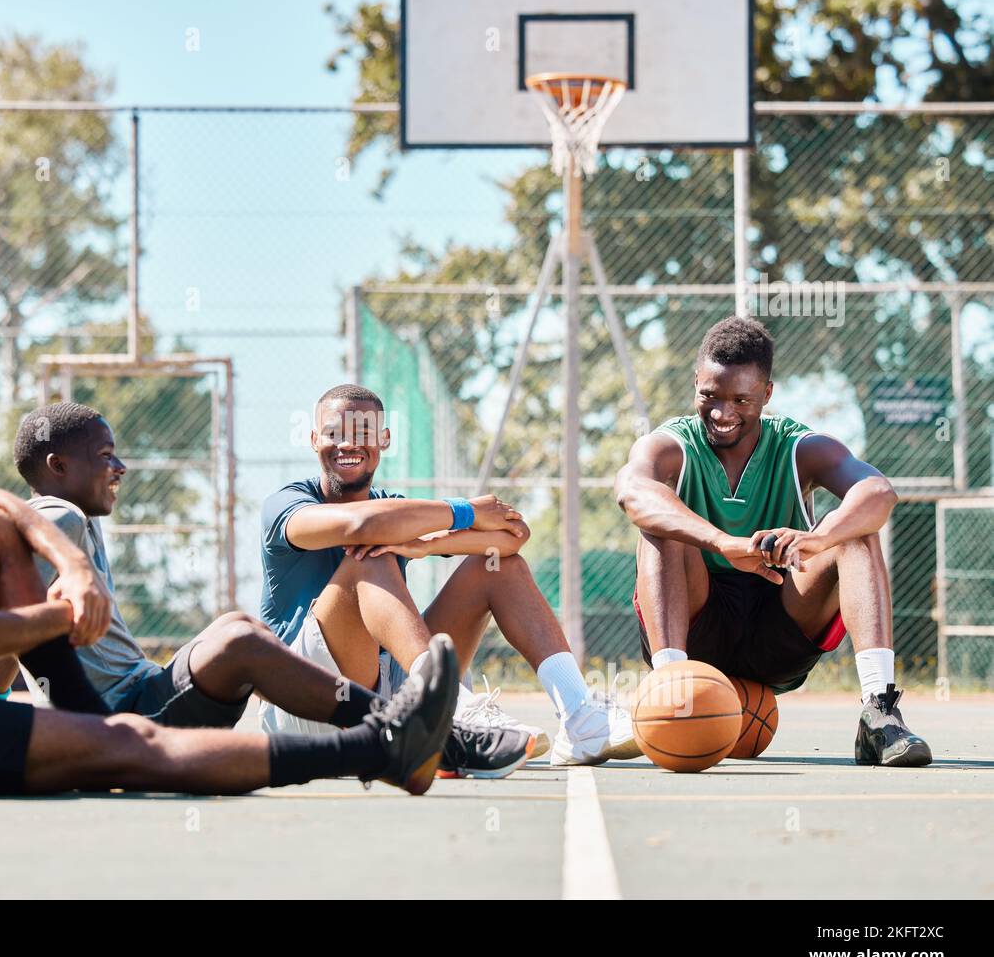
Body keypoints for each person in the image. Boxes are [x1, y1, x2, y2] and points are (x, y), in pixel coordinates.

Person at [0, 340, 460, 798]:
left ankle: (86, 720)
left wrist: (71, 563)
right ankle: (377, 746)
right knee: (132, 748)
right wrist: (62, 612)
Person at [0, 401, 529, 779]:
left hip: (145, 694)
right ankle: (420, 733)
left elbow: (10, 628)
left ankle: (411, 729)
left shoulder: (72, 518)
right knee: (240, 642)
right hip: (130, 720)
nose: (120, 466)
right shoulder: (56, 515)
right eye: (105, 456)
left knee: (236, 627)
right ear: (58, 467)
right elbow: (1, 621)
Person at [259, 383, 641, 767]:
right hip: (309, 704)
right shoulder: (286, 506)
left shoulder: (394, 511)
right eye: (333, 433)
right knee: (368, 558)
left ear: (385, 440)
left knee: (496, 565)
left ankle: (581, 716)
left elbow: (512, 538)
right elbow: (359, 526)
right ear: (313, 439)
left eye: (363, 434)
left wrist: (422, 545)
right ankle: (452, 706)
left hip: (389, 697)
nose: (347, 444)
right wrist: (465, 512)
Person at [614, 317, 931, 766]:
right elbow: (633, 492)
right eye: (710, 396)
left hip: (776, 625)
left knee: (856, 532)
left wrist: (817, 539)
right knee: (661, 524)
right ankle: (670, 690)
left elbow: (879, 493)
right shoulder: (673, 443)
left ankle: (880, 710)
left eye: (740, 399)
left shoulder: (798, 447)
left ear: (766, 395)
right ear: (696, 384)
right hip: (697, 628)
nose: (722, 412)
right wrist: (723, 543)